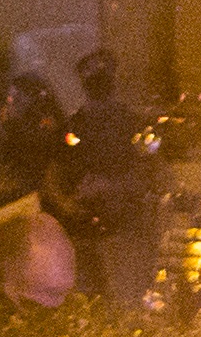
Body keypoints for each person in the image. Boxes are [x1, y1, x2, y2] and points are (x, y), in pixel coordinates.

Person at [46, 49, 161, 301]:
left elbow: (148, 174)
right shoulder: (75, 125)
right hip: (83, 226)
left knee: (123, 296)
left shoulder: (130, 123)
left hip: (123, 227)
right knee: (85, 298)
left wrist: (112, 187)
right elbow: (54, 173)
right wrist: (66, 204)